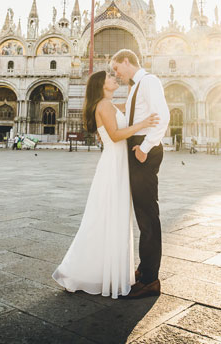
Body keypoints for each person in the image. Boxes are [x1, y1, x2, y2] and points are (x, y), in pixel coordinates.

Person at [52, 70, 159, 299]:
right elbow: (116, 134)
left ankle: (106, 271)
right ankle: (88, 270)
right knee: (105, 217)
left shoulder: (109, 104)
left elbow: (128, 107)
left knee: (112, 217)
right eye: (110, 78)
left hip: (118, 163)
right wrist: (145, 122)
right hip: (113, 165)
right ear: (101, 85)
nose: (114, 79)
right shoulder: (103, 105)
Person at [111, 49, 170, 298]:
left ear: (127, 61)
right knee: (142, 214)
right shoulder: (137, 86)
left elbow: (162, 116)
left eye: (116, 69)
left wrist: (145, 148)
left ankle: (150, 280)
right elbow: (134, 114)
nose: (116, 74)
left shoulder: (150, 81)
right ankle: (144, 269)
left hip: (144, 149)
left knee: (147, 216)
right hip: (138, 146)